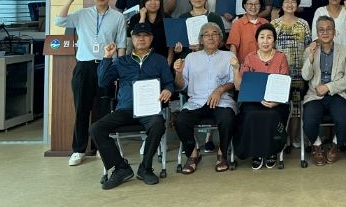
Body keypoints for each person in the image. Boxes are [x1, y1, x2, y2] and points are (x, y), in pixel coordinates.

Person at [90, 24, 173, 189]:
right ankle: (121, 168)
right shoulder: (122, 61)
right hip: (125, 109)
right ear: (132, 39)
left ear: (151, 39)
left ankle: (145, 168)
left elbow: (169, 83)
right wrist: (107, 57)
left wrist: (168, 90)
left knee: (157, 125)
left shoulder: (160, 60)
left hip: (150, 109)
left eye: (145, 35)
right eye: (137, 36)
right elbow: (103, 81)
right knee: (96, 128)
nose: (141, 39)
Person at [54, 0, 127, 167]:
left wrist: (120, 69)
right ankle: (79, 150)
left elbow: (121, 44)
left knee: (103, 110)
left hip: (106, 66)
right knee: (81, 108)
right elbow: (59, 21)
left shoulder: (118, 17)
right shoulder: (82, 14)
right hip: (84, 66)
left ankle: (101, 147)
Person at [173, 22, 237, 174]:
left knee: (228, 119)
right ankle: (193, 154)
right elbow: (180, 86)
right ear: (201, 39)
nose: (210, 37)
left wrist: (220, 89)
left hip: (221, 102)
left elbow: (234, 82)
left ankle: (222, 153)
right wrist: (179, 73)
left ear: (220, 38)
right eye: (206, 35)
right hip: (196, 102)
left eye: (215, 34)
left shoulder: (229, 56)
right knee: (180, 121)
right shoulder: (190, 57)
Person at [231, 24, 290, 169]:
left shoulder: (281, 57)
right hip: (253, 100)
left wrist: (276, 102)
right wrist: (236, 69)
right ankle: (255, 152)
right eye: (262, 37)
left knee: (272, 115)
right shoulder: (250, 58)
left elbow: (284, 84)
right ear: (257, 40)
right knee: (251, 114)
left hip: (276, 102)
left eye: (269, 37)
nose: (265, 41)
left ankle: (271, 151)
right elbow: (239, 87)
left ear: (274, 40)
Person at [301, 16, 346, 165]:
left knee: (344, 119)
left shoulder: (345, 51)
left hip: (337, 94)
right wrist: (311, 56)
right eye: (321, 30)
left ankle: (336, 145)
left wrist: (328, 87)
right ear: (317, 33)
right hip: (315, 95)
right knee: (309, 120)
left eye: (328, 29)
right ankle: (317, 145)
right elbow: (306, 76)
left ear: (334, 31)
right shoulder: (310, 50)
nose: (325, 32)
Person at [271, 0, 312, 147]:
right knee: (280, 107)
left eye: (293, 1)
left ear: (297, 4)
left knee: (296, 108)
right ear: (281, 4)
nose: (290, 4)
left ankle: (292, 138)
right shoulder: (274, 24)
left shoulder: (303, 24)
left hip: (299, 74)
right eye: (286, 1)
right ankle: (280, 138)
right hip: (279, 74)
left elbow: (309, 48)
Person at [127, 0, 169, 65]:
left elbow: (171, 45)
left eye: (156, 0)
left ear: (160, 2)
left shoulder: (167, 18)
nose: (153, 3)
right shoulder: (135, 18)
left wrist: (168, 64)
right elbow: (135, 38)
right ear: (144, 1)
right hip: (140, 61)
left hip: (163, 60)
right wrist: (142, 17)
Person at [226, 0, 269, 64]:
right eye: (250, 4)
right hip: (245, 66)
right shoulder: (237, 24)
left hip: (264, 65)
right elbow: (233, 47)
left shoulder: (265, 23)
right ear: (244, 5)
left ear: (260, 5)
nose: (253, 7)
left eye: (256, 4)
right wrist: (235, 66)